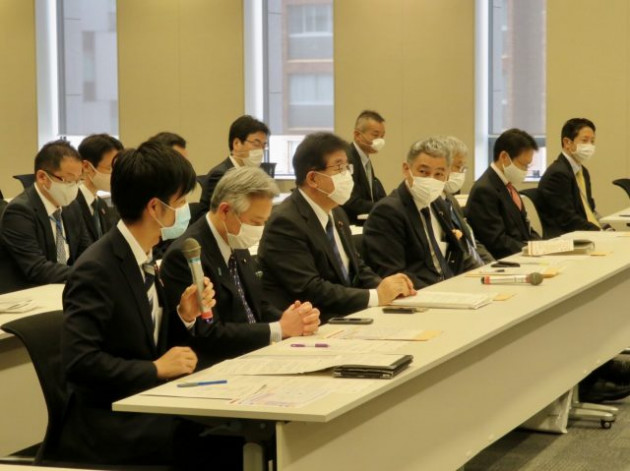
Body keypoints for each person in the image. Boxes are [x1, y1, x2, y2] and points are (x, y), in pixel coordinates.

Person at [59, 141, 222, 466]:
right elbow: (81, 362)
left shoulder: (144, 255)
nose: (185, 211)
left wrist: (184, 316)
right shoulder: (97, 268)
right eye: (180, 202)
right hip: (114, 420)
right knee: (221, 442)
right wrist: (155, 369)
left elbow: (147, 340)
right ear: (155, 208)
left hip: (150, 400)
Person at [162, 166, 320, 367]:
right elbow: (209, 332)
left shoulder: (235, 238)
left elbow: (256, 305)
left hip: (256, 355)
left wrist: (295, 319)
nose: (259, 230)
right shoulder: (187, 255)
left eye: (264, 222)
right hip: (219, 365)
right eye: (255, 222)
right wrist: (279, 328)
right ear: (225, 211)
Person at [258, 132, 415, 322]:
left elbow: (357, 268)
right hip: (312, 322)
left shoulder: (337, 212)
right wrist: (375, 296)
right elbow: (311, 289)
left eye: (347, 167)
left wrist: (387, 287)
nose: (347, 175)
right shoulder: (286, 222)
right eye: (339, 167)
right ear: (313, 178)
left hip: (347, 314)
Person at [363, 137, 476, 289]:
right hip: (420, 293)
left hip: (449, 287)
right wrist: (439, 293)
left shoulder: (438, 203)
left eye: (439, 174)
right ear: (406, 169)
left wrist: (481, 277)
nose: (431, 179)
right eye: (423, 172)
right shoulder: (388, 211)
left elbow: (457, 253)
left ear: (447, 175)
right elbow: (393, 274)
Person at [0, 140, 90, 285]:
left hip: (68, 285)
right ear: (42, 177)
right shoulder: (19, 212)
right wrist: (86, 274)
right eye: (68, 180)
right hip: (32, 292)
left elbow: (86, 252)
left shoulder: (71, 207)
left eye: (78, 180)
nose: (74, 187)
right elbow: (37, 269)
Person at [466, 128, 541, 259]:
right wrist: (531, 250)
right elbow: (496, 242)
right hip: (505, 260)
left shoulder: (508, 186)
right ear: (504, 157)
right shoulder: (484, 190)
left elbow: (526, 229)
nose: (525, 171)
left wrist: (544, 246)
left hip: (521, 254)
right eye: (523, 165)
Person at [538, 118, 608, 238]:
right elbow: (567, 219)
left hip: (586, 231)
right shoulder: (557, 174)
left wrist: (607, 228)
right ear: (567, 143)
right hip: (567, 238)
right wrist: (599, 232)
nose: (590, 146)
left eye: (592, 141)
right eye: (584, 140)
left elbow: (590, 209)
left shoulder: (582, 171)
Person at [198, 115, 270, 215]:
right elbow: (222, 216)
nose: (260, 150)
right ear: (236, 143)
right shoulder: (220, 175)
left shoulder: (254, 175)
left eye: (264, 145)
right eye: (256, 144)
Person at [441, 136, 494, 265]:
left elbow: (471, 240)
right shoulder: (432, 204)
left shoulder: (450, 199)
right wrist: (480, 269)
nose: (460, 173)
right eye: (458, 166)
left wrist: (492, 265)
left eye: (463, 168)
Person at [70, 134, 123, 244]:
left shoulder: (102, 205)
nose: (116, 174)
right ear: (86, 166)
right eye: (110, 168)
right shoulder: (70, 203)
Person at [341, 110, 387, 224]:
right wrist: (381, 207)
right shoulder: (347, 159)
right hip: (351, 224)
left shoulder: (365, 160)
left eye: (382, 136)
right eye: (375, 135)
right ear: (357, 135)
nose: (380, 140)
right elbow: (349, 200)